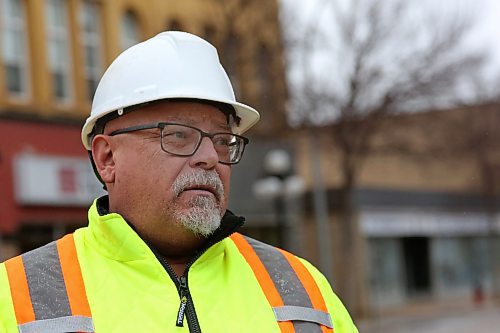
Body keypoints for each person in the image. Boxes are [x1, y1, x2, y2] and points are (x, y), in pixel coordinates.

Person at [0, 31, 358, 333]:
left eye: (222, 140)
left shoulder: (304, 289)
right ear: (107, 158)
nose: (209, 157)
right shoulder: (13, 298)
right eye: (177, 135)